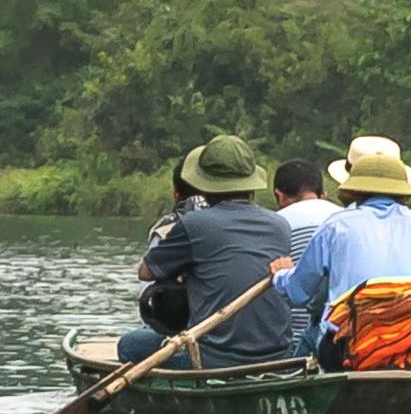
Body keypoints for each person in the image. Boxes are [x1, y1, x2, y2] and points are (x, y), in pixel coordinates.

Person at [129, 137, 318, 367]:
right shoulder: (279, 224)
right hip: (276, 355)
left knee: (130, 344)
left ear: (205, 185)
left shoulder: (195, 224)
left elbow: (146, 272)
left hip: (214, 358)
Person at [280, 137, 411, 348]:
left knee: (311, 334)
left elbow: (298, 293)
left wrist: (279, 275)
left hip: (349, 343)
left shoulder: (336, 226)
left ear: (352, 187)